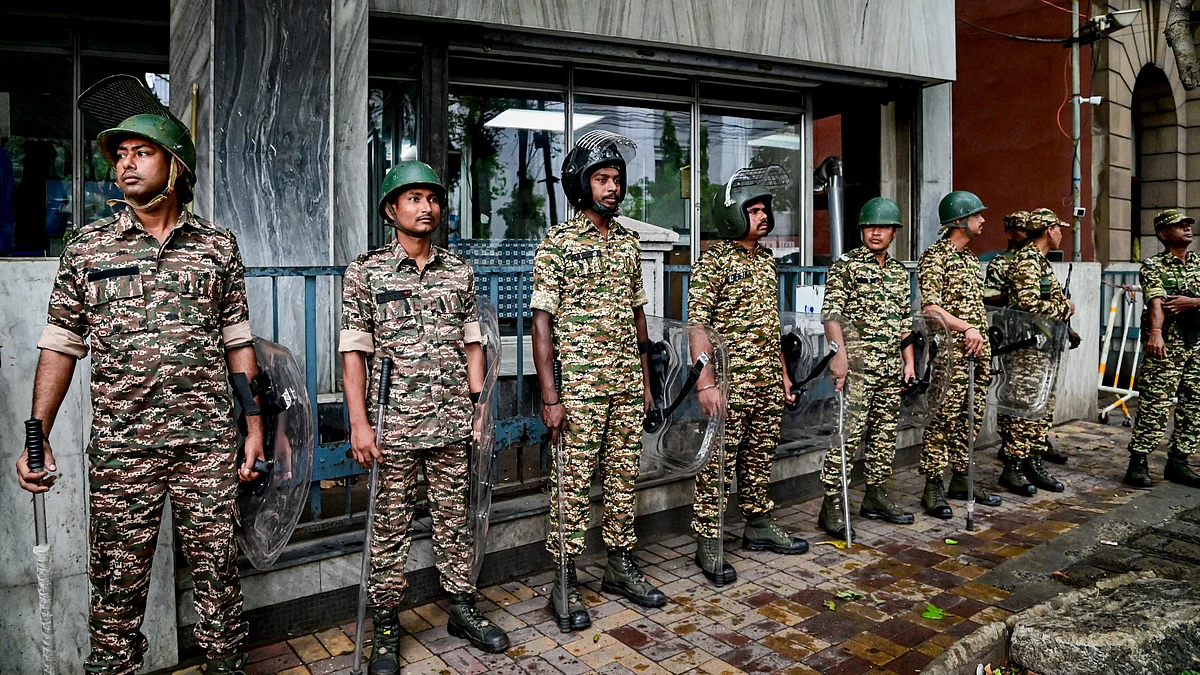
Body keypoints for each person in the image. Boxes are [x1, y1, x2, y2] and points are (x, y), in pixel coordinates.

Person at [15, 111, 261, 675]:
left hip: (207, 447)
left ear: (176, 166)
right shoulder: (88, 250)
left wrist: (252, 429)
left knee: (219, 579)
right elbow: (59, 346)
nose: (125, 163)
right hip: (124, 453)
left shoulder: (218, 249)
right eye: (120, 154)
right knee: (116, 591)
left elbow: (238, 343)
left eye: (141, 152)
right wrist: (38, 435)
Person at [339, 160, 509, 674]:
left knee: (454, 520)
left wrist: (479, 407)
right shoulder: (365, 272)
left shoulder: (459, 270)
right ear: (391, 209)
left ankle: (461, 607)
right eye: (413, 198)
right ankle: (387, 624)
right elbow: (353, 356)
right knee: (389, 528)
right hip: (392, 425)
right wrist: (359, 424)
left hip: (453, 420)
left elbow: (471, 342)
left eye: (432, 198)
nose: (425, 207)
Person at [531, 131, 666, 630]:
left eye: (616, 179)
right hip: (580, 391)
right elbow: (541, 324)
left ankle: (619, 565)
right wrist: (550, 397)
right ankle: (564, 580)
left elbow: (639, 319)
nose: (612, 188)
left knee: (623, 483)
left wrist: (649, 384)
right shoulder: (558, 245)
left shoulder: (629, 242)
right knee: (571, 485)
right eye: (601, 179)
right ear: (580, 184)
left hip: (629, 385)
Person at [687, 167, 808, 586]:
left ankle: (757, 522)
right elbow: (697, 325)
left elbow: (768, 325)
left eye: (764, 210)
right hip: (729, 383)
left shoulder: (766, 262)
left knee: (759, 457)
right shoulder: (714, 261)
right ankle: (708, 537)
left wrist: (784, 376)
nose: (762, 216)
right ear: (734, 215)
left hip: (766, 382)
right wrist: (706, 383)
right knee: (718, 462)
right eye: (753, 210)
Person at [817, 197, 917, 538]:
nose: (876, 233)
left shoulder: (900, 273)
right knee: (847, 436)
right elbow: (831, 315)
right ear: (862, 230)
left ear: (893, 232)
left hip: (890, 369)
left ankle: (875, 495)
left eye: (884, 227)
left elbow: (905, 320)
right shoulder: (846, 266)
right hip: (857, 370)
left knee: (884, 436)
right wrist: (839, 357)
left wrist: (909, 364)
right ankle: (831, 503)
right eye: (871, 227)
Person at [916, 191, 1003, 519]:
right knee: (942, 417)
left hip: (975, 352)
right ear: (959, 221)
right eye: (976, 215)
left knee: (970, 417)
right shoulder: (935, 257)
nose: (982, 220)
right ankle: (933, 485)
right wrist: (966, 327)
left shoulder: (969, 258)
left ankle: (962, 477)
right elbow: (930, 308)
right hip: (949, 354)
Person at [996, 208, 1074, 496]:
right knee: (1024, 407)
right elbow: (1028, 304)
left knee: (1041, 407)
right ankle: (1013, 468)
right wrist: (1065, 308)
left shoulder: (1039, 262)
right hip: (1027, 348)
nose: (1061, 233)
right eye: (1058, 228)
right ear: (1048, 230)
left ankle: (1032, 460)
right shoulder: (1027, 262)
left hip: (1043, 346)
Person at [1122, 208, 1200, 489]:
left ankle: (1179, 461)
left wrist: (1193, 303)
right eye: (1179, 226)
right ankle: (1138, 462)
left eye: (1188, 225)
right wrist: (1156, 333)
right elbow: (1156, 300)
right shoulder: (1155, 266)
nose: (1187, 228)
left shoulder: (1199, 263)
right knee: (1155, 405)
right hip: (1168, 346)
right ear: (1163, 233)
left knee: (1194, 406)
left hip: (1197, 344)